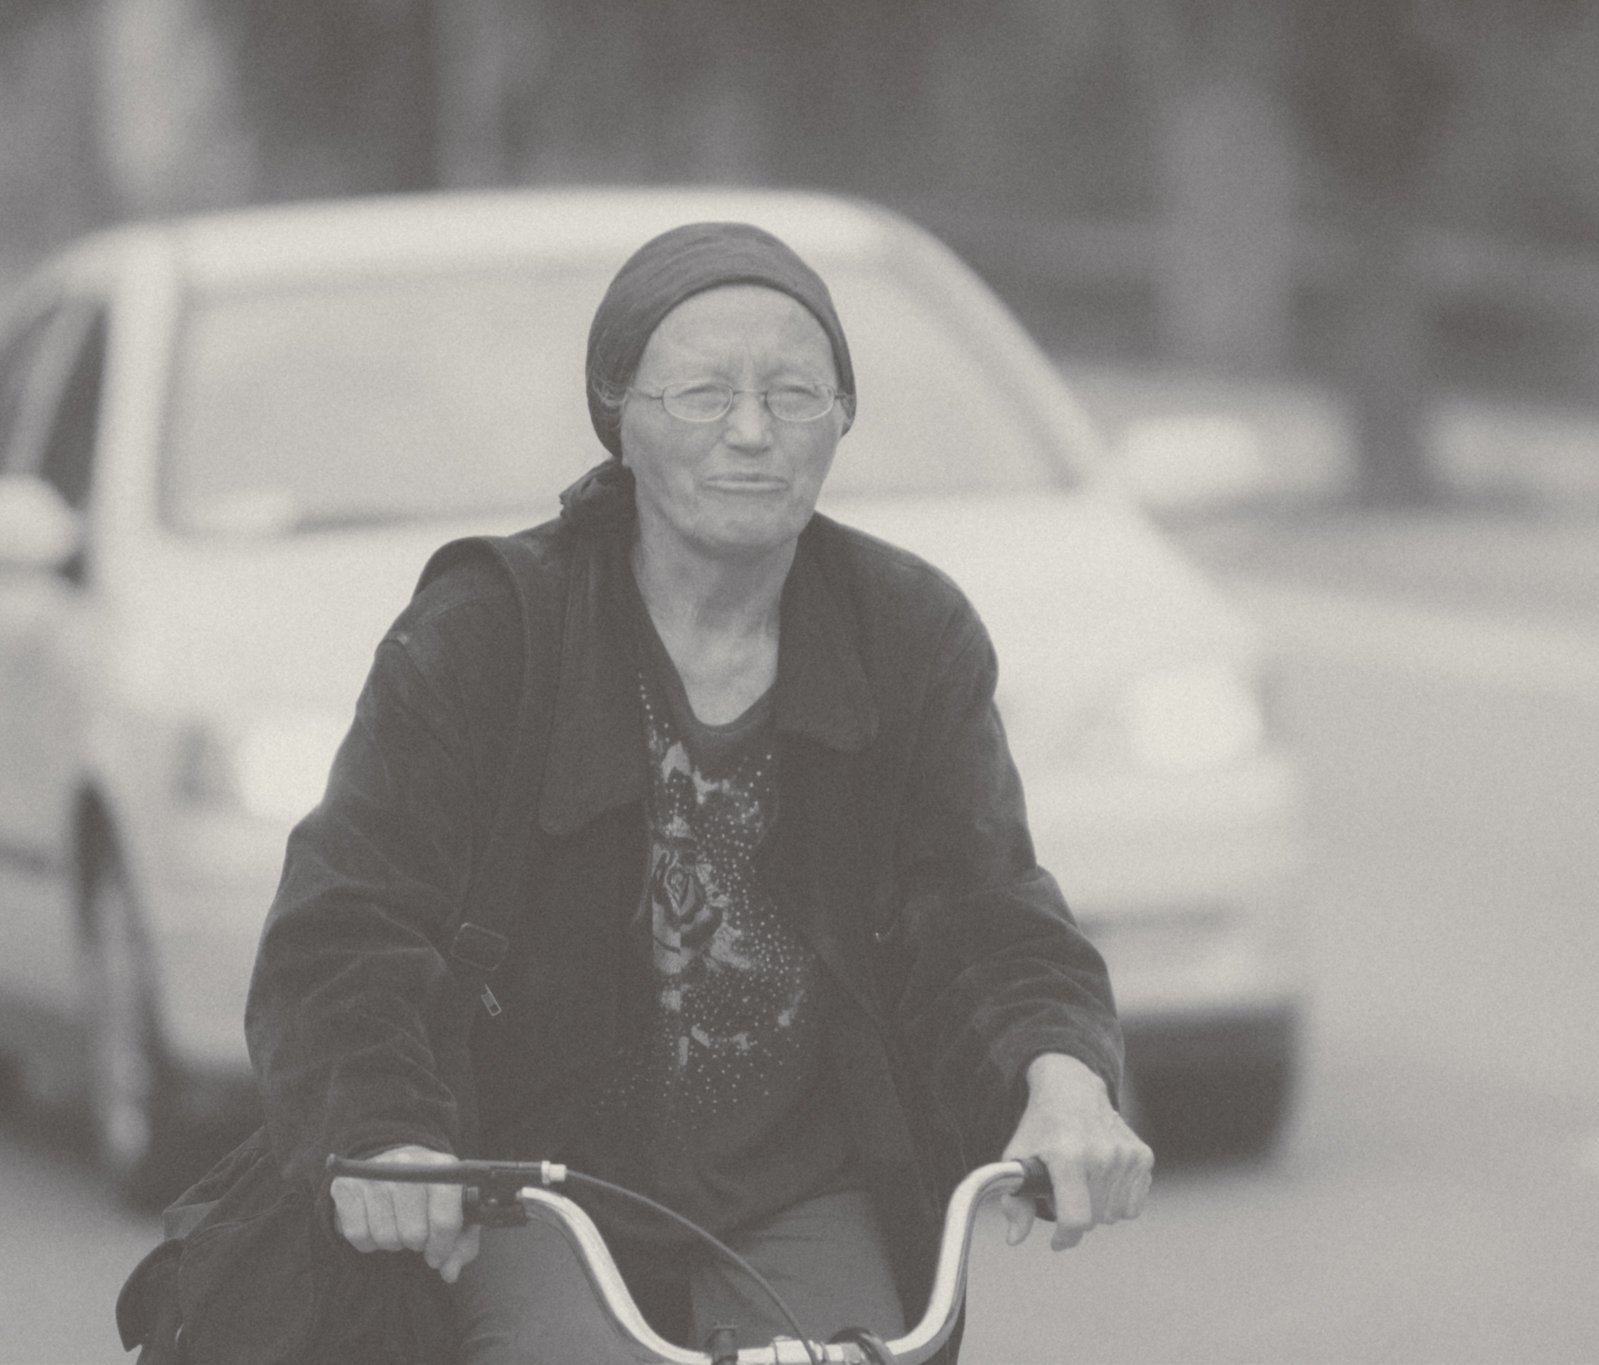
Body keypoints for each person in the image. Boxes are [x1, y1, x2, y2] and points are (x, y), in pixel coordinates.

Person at [244, 220, 1152, 1360]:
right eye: (702, 395)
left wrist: (1063, 1080)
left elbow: (988, 912)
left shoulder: (907, 635)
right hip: (533, 1187)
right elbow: (345, 929)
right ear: (617, 413)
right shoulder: (486, 633)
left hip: (800, 1189)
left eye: (794, 393)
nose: (753, 432)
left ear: (841, 419)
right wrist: (386, 1139)